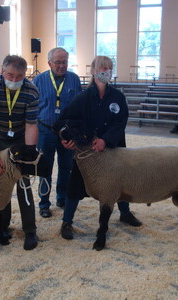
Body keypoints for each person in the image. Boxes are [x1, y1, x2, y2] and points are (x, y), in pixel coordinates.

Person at [53, 56, 142, 241]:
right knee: (75, 183)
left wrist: (105, 140)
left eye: (109, 68)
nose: (106, 71)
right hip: (87, 153)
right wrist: (66, 139)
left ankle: (124, 213)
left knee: (120, 182)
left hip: (113, 149)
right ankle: (67, 221)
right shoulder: (83, 98)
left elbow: (120, 123)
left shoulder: (118, 97)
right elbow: (63, 121)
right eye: (102, 68)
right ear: (93, 71)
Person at [0, 55, 40, 250]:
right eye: (10, 75)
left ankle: (30, 230)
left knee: (24, 182)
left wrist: (29, 155)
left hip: (21, 137)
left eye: (19, 76)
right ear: (2, 71)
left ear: (26, 74)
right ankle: (2, 226)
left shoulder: (32, 91)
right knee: (0, 182)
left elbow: (32, 125)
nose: (14, 80)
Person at [33, 47, 83, 218]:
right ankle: (44, 203)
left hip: (67, 133)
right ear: (49, 63)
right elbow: (32, 107)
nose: (62, 65)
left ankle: (62, 198)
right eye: (58, 62)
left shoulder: (74, 79)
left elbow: (79, 108)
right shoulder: (38, 80)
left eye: (65, 62)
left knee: (66, 167)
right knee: (44, 169)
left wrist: (76, 134)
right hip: (45, 131)